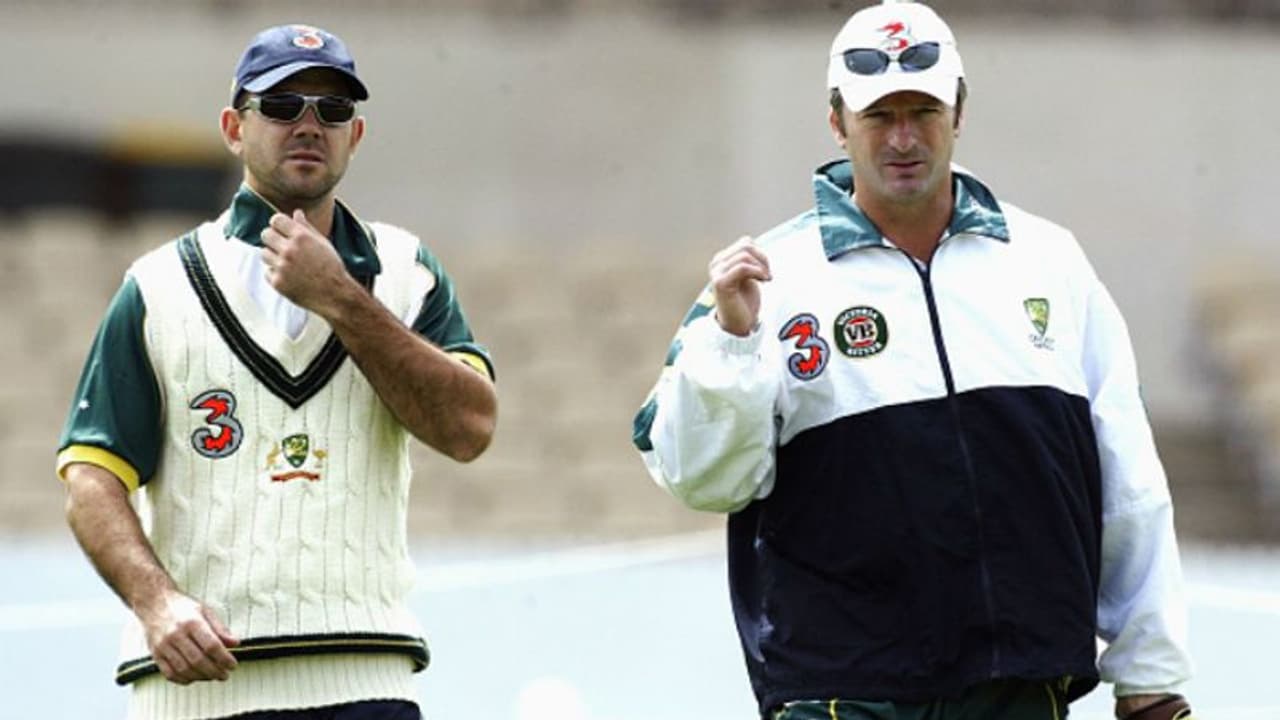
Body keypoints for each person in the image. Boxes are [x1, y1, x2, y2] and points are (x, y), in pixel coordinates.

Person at [632, 2, 1195, 719]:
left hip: (1018, 682)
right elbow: (700, 479)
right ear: (837, 123)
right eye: (879, 115)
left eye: (923, 111)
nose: (903, 138)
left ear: (959, 112)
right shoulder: (768, 282)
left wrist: (1150, 674)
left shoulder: (1049, 260)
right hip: (840, 690)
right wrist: (733, 343)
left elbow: (1127, 473)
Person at [56, 24, 497, 720]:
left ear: (356, 135)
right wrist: (156, 603)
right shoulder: (159, 285)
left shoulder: (406, 270)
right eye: (283, 105)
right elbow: (91, 477)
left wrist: (341, 298)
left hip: (366, 681)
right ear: (234, 128)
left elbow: (469, 429)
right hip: (197, 695)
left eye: (333, 109)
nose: (309, 125)